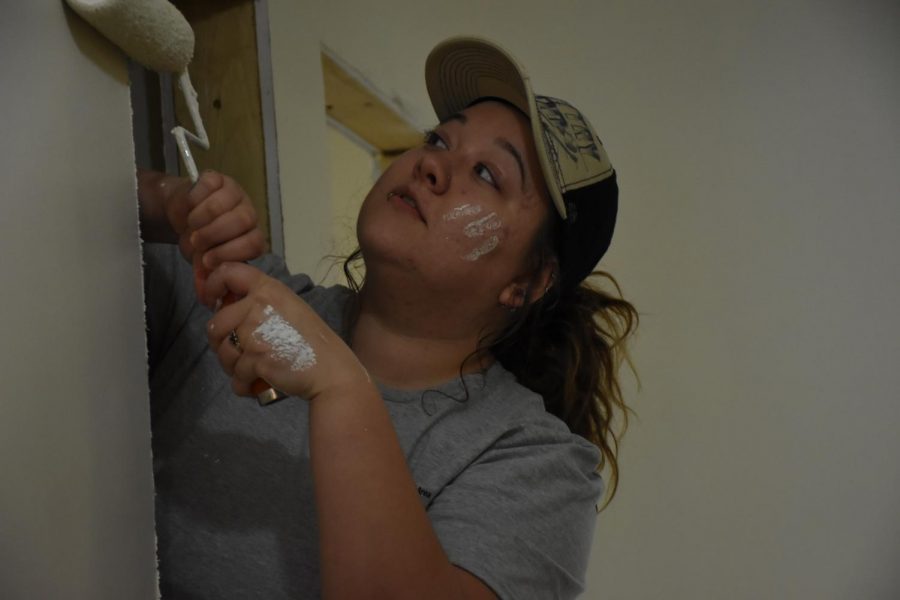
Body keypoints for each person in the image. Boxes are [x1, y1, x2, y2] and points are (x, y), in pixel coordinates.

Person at [138, 36, 637, 600]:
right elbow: (47, 212)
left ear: (528, 283)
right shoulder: (234, 294)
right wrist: (170, 203)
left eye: (488, 175)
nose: (431, 164)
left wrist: (340, 387)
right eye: (439, 138)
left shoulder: (533, 461)